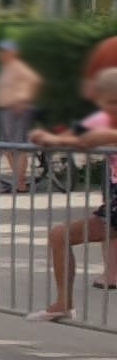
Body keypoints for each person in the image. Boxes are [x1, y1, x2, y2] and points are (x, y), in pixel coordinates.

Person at [24, 69, 117, 323]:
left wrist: (107, 136)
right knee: (60, 236)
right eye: (108, 103)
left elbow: (100, 137)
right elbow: (74, 135)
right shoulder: (102, 118)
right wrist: (49, 138)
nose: (112, 110)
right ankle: (64, 303)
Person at [0, 37, 42, 193]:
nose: (1, 54)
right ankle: (17, 180)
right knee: (8, 148)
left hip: (16, 111)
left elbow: (35, 80)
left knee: (17, 147)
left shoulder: (17, 66)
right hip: (5, 111)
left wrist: (24, 98)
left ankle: (21, 183)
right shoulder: (7, 67)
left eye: (4, 51)